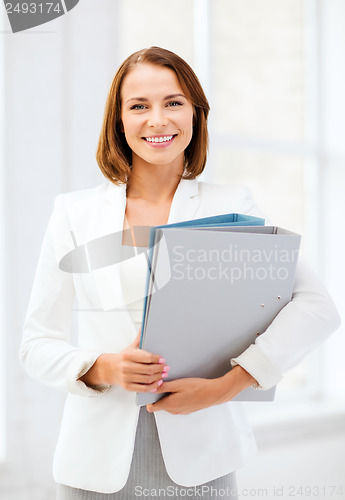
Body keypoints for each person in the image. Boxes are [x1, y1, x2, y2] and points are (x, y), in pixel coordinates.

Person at [19, 47, 340, 500]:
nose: (158, 119)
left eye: (173, 102)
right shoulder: (74, 213)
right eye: (139, 106)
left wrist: (229, 385)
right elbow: (35, 345)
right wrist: (103, 366)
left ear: (195, 113)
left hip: (202, 457)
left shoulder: (231, 207)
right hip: (93, 463)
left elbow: (317, 307)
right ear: (119, 120)